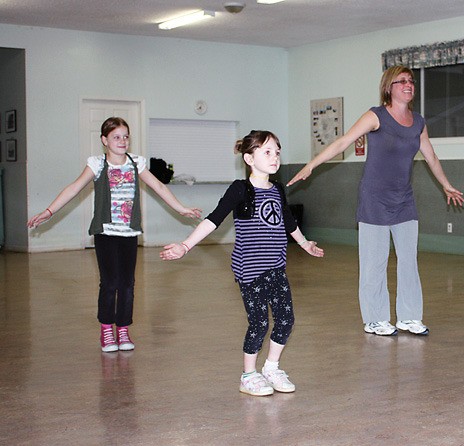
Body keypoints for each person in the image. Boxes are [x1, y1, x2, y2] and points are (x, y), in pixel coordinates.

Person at [287, 65, 464, 337]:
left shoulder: (418, 122)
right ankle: (375, 319)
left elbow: (431, 157)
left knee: (408, 261)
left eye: (411, 81)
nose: (408, 85)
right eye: (401, 81)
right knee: (374, 263)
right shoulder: (376, 116)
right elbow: (343, 142)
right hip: (374, 200)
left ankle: (409, 317)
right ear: (388, 88)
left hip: (404, 200)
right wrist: (312, 165)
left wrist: (447, 185)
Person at [160, 130, 324, 397]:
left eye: (277, 152)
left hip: (276, 267)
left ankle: (271, 367)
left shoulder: (278, 190)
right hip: (250, 270)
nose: (275, 157)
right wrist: (185, 245)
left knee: (285, 319)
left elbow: (288, 223)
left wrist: (305, 243)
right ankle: (248, 375)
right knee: (259, 322)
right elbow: (213, 219)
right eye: (267, 152)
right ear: (249, 158)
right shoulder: (240, 189)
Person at [27, 117, 202, 352]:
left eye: (126, 136)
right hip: (106, 233)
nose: (122, 141)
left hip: (129, 234)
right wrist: (49, 211)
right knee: (110, 282)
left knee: (127, 283)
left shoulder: (136, 164)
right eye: (116, 137)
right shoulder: (97, 164)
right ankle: (107, 328)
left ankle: (123, 328)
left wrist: (182, 208)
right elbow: (74, 188)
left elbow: (159, 187)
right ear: (104, 140)